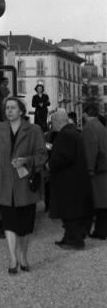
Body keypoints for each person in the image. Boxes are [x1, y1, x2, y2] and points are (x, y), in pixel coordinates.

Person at [0, 97, 47, 274]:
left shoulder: (34, 129)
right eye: (7, 108)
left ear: (21, 111)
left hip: (25, 184)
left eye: (13, 108)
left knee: (26, 225)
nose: (9, 111)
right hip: (4, 183)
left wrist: (26, 161)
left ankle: (23, 255)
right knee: (9, 223)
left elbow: (42, 155)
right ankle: (13, 258)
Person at [48, 109, 93, 250]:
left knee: (69, 212)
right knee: (72, 212)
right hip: (76, 179)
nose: (52, 125)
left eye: (53, 122)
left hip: (68, 181)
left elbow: (64, 157)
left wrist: (50, 164)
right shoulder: (74, 132)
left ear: (58, 121)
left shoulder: (65, 135)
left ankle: (75, 241)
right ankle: (69, 238)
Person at [81, 105, 107, 240]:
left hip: (96, 171)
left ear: (85, 114)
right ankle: (101, 230)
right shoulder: (101, 127)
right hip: (103, 168)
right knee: (103, 203)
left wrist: (89, 169)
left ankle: (85, 231)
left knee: (91, 202)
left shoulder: (89, 128)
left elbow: (90, 150)